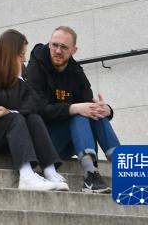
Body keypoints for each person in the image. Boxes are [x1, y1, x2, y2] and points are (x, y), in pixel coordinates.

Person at [0, 29, 69, 192]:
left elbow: (36, 102)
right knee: (15, 119)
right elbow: (3, 101)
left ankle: (50, 171)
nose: (24, 59)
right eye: (21, 54)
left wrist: (12, 111)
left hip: (0, 131)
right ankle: (27, 176)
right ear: (10, 54)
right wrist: (18, 79)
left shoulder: (19, 68)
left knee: (33, 117)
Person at [26, 26, 120, 194]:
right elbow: (36, 108)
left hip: (69, 141)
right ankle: (90, 175)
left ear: (74, 50)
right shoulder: (36, 66)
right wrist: (73, 108)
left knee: (92, 112)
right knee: (79, 113)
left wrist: (106, 110)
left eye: (64, 47)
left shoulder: (76, 72)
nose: (58, 50)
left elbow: (89, 106)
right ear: (49, 44)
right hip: (43, 142)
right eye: (54, 45)